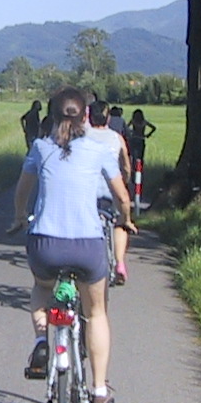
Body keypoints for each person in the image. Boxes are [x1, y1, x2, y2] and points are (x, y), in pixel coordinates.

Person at [7, 87, 136, 403]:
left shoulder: (40, 147)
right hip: (87, 246)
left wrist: (20, 217)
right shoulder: (98, 149)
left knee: (40, 289)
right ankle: (98, 389)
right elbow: (121, 197)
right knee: (95, 313)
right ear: (87, 116)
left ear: (51, 117)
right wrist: (126, 219)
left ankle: (41, 342)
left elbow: (22, 192)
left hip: (46, 245)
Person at [85, 99, 133, 284]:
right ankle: (119, 262)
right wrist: (124, 180)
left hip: (86, 191)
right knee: (120, 222)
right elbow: (126, 165)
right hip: (110, 190)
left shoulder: (81, 136)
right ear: (108, 118)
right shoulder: (116, 138)